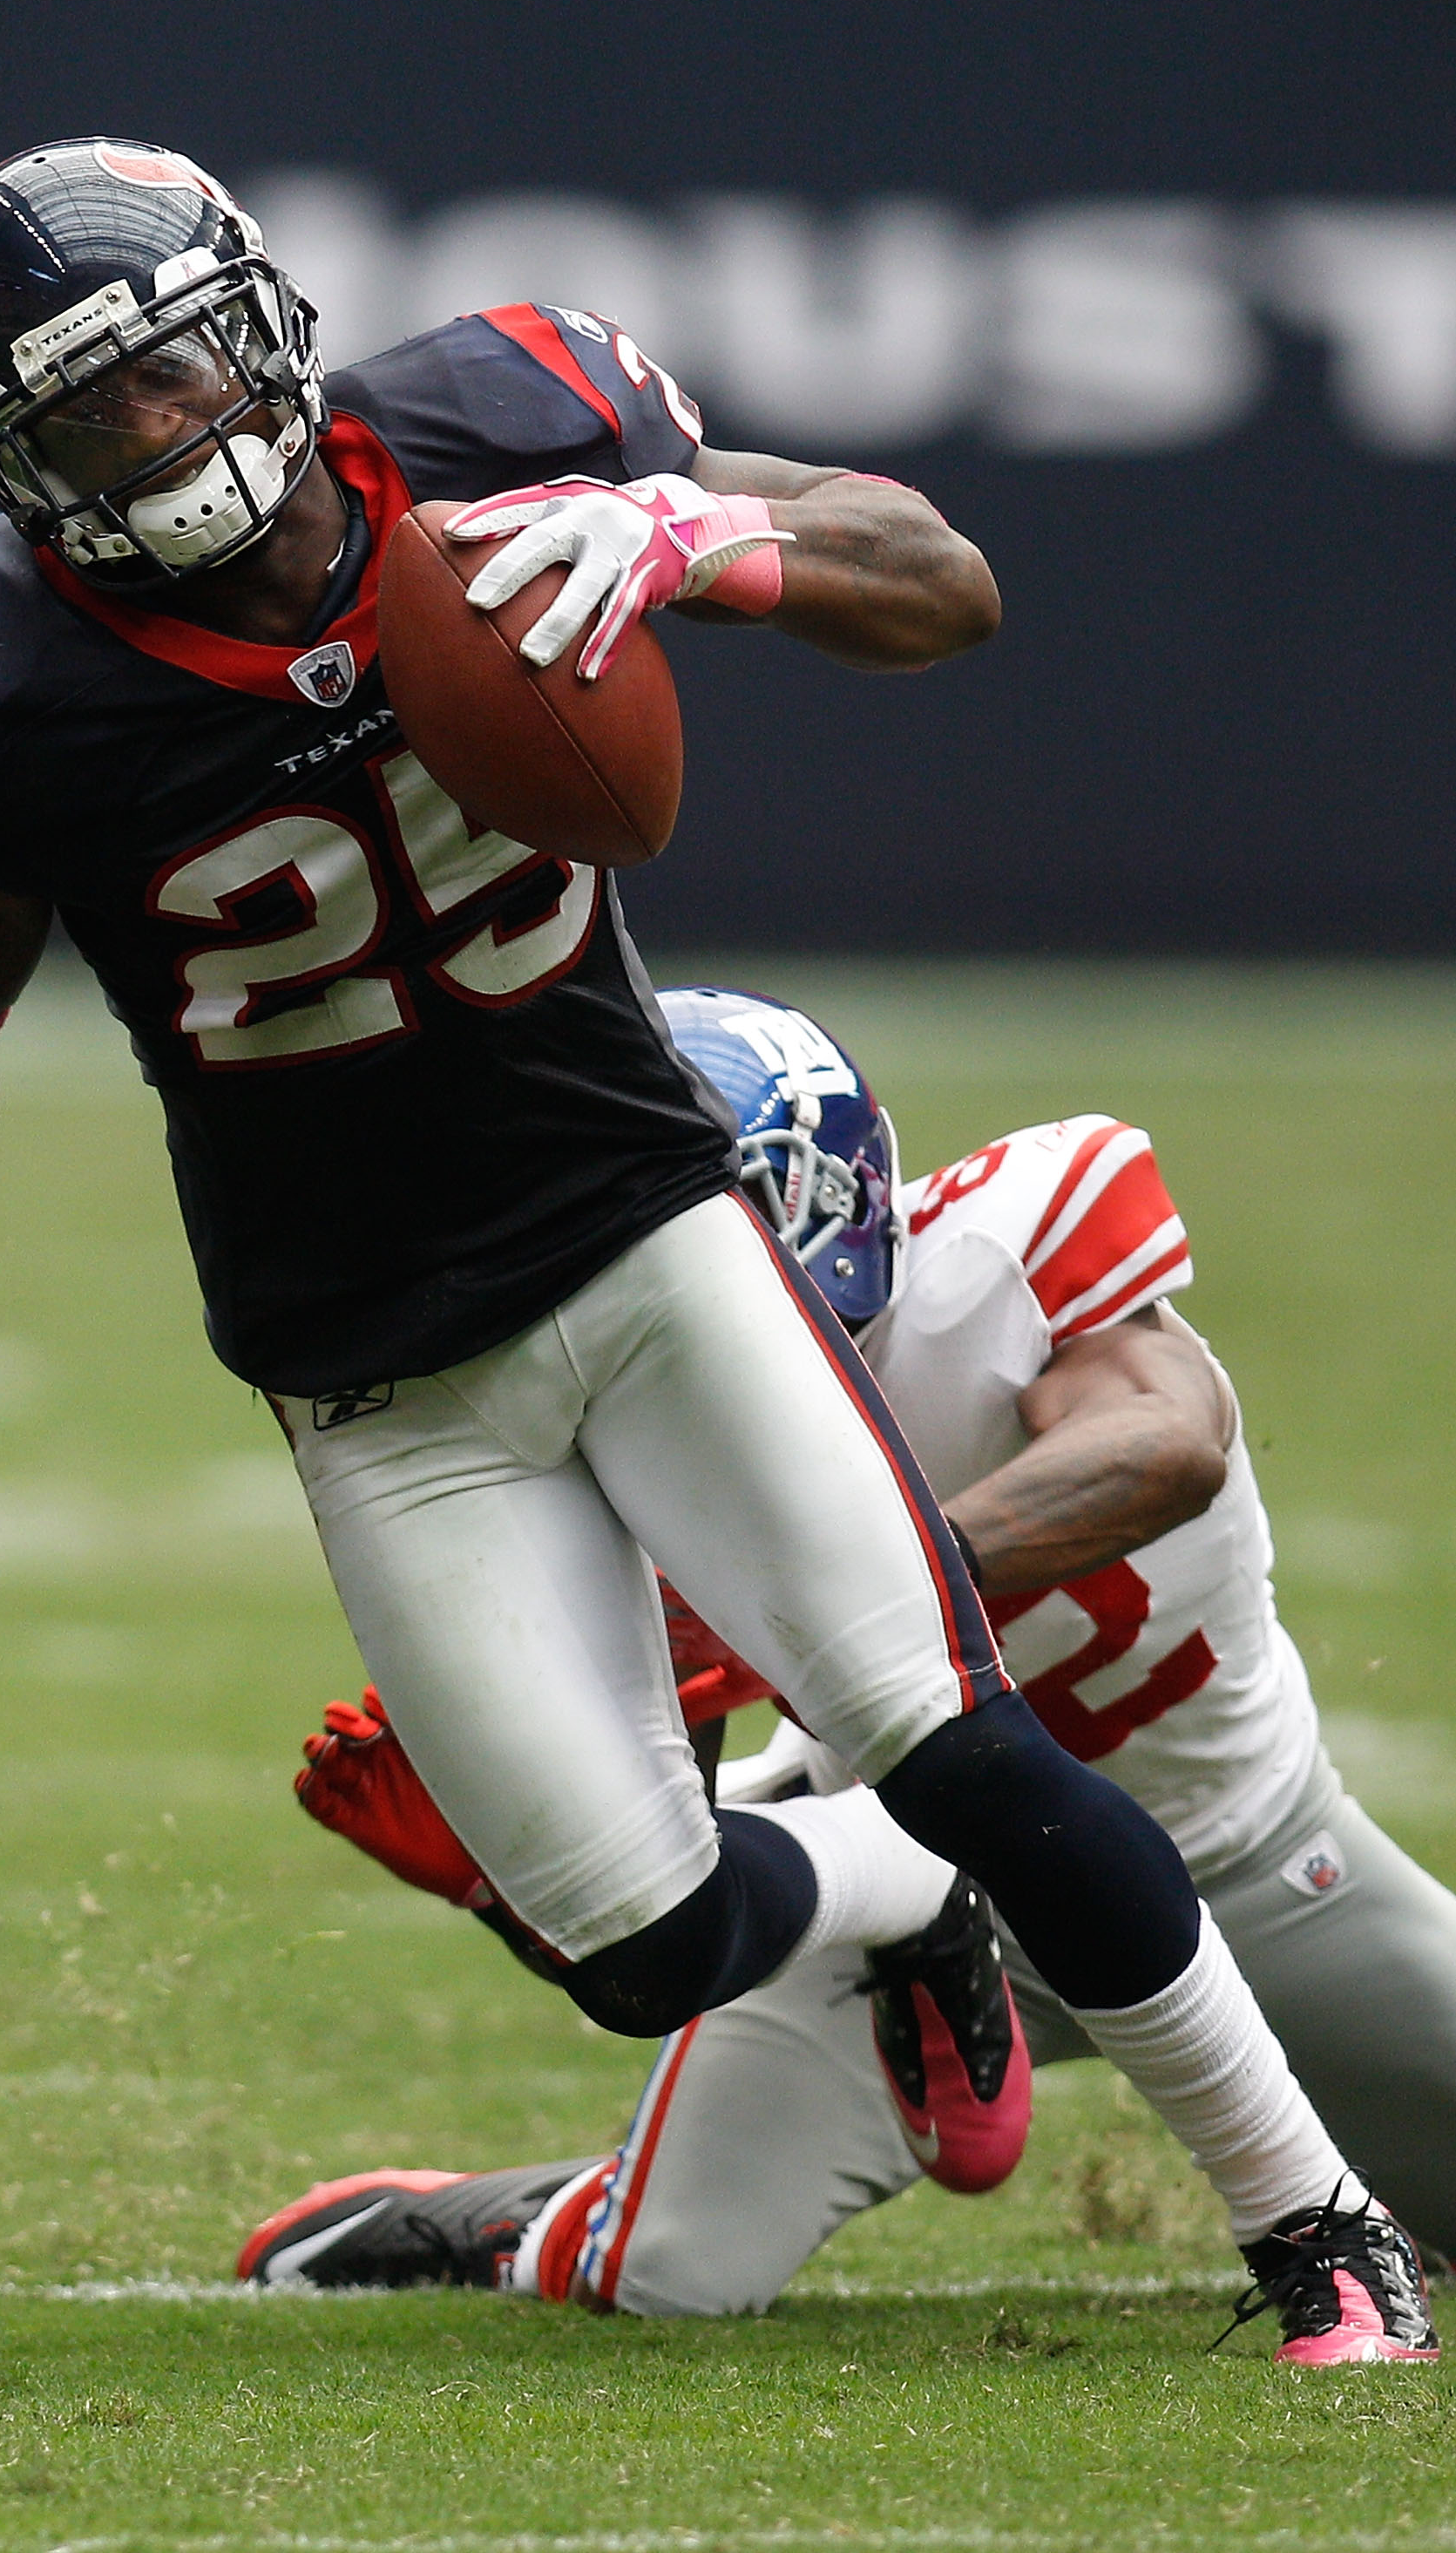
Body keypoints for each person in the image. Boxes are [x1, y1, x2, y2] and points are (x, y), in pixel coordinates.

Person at [0, 138, 1431, 2365]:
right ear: (7, 464)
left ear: (263, 327)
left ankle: (1314, 2233)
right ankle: (907, 1924)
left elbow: (940, 577)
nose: (157, 440)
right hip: (373, 1372)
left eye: (176, 375)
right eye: (80, 422)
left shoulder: (495, 416)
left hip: (643, 1222)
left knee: (948, 1725)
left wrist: (706, 541)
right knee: (635, 1943)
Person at [244, 988, 1456, 2344]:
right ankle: (511, 2212)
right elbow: (671, 1907)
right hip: (904, 1892)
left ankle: (1333, 2214)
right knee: (669, 2272)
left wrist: (847, 1586)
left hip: (1265, 1868)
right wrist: (508, 1880)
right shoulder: (622, 1441)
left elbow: (1163, 1449)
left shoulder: (1005, 1249)